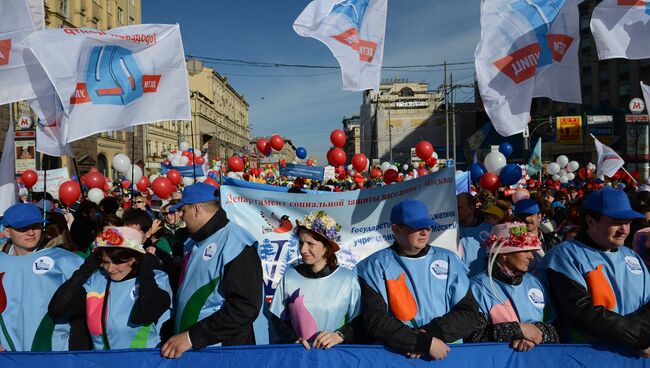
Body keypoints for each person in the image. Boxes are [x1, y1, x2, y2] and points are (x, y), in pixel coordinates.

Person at [355, 199, 484, 360]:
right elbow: (376, 321)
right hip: (397, 357)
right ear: (396, 229)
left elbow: (469, 314)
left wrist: (428, 336)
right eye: (416, 227)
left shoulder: (450, 260)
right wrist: (421, 341)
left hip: (445, 354)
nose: (425, 232)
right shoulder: (373, 266)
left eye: (428, 226)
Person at [538, 187, 650, 356]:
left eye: (627, 222)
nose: (624, 230)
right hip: (589, 356)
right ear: (590, 221)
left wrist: (642, 334)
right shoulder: (564, 257)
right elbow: (581, 312)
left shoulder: (631, 255)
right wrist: (639, 336)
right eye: (616, 222)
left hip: (635, 355)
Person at [161, 183, 263, 358]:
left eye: (183, 210)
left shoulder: (237, 242)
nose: (181, 216)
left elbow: (245, 307)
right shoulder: (192, 242)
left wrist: (192, 337)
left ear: (196, 209)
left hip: (220, 351)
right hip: (190, 350)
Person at [49, 226, 171, 350]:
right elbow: (57, 309)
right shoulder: (97, 281)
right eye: (106, 262)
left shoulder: (157, 278)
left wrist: (146, 269)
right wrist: (86, 268)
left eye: (117, 262)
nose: (110, 269)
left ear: (133, 259)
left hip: (142, 361)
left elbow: (144, 315)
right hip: (103, 361)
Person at [269, 211, 363, 349]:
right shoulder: (289, 276)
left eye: (310, 244)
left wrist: (339, 336)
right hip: (299, 356)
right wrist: (292, 340)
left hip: (335, 357)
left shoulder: (348, 279)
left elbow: (360, 321)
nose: (303, 249)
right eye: (301, 243)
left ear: (326, 248)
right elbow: (276, 319)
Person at [0, 203, 86, 351]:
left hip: (52, 350)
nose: (31, 232)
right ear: (7, 232)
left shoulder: (64, 260)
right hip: (7, 353)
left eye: (36, 226)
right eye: (23, 228)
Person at [468, 222, 558, 351]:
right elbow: (473, 336)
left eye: (531, 251)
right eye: (525, 251)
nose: (531, 257)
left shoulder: (535, 283)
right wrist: (517, 330)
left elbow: (555, 327)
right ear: (504, 254)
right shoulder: (477, 287)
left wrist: (535, 335)